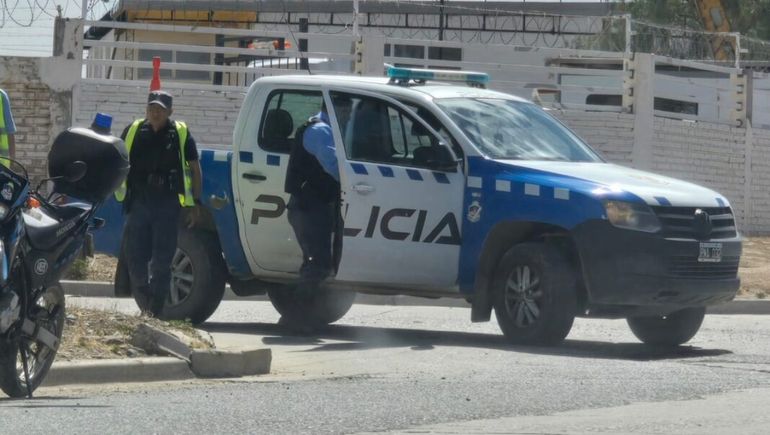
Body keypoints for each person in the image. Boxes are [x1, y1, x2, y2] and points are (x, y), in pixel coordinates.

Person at [115, 90, 203, 317]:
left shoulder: (180, 134)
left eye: (161, 110)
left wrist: (195, 203)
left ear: (169, 112)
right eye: (152, 108)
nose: (155, 113)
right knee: (135, 259)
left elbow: (194, 168)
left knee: (162, 263)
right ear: (147, 109)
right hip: (139, 204)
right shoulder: (134, 130)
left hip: (167, 205)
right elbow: (118, 160)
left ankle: (155, 311)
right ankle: (145, 304)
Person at [284, 95, 352, 290]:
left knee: (319, 264)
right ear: (337, 109)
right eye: (347, 111)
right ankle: (298, 314)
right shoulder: (320, 131)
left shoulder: (329, 130)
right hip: (308, 208)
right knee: (317, 266)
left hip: (316, 206)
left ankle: (303, 314)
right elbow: (335, 167)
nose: (348, 117)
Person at [0, 88, 17, 167]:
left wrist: (12, 162)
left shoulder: (1, 96)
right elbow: (10, 132)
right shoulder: (1, 95)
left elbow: (10, 132)